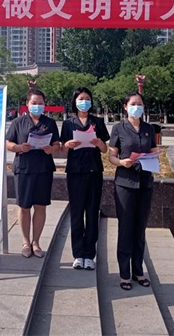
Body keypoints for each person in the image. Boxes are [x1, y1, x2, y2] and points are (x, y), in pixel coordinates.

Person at [108, 92, 157, 291]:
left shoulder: (148, 129)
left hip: (145, 183)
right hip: (125, 183)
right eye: (133, 104)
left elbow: (152, 151)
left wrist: (154, 156)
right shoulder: (118, 128)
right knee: (126, 227)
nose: (137, 107)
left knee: (140, 228)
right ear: (125, 107)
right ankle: (124, 274)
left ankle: (138, 270)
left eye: (140, 104)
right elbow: (112, 156)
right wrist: (122, 162)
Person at [6, 88, 61, 258]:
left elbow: (57, 144)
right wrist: (18, 147)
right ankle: (25, 242)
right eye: (34, 103)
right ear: (27, 104)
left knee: (40, 206)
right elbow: (8, 143)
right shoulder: (18, 122)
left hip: (43, 169)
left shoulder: (49, 123)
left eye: (41, 103)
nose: (38, 106)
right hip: (24, 169)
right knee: (24, 206)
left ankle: (36, 242)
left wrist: (51, 149)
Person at [60, 87, 109, 271]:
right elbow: (62, 150)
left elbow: (104, 150)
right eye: (81, 99)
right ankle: (78, 254)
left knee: (92, 212)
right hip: (75, 172)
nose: (84, 102)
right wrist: (68, 144)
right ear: (75, 101)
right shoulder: (68, 123)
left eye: (87, 98)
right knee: (76, 213)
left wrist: (99, 143)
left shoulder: (97, 122)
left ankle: (89, 255)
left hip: (94, 171)